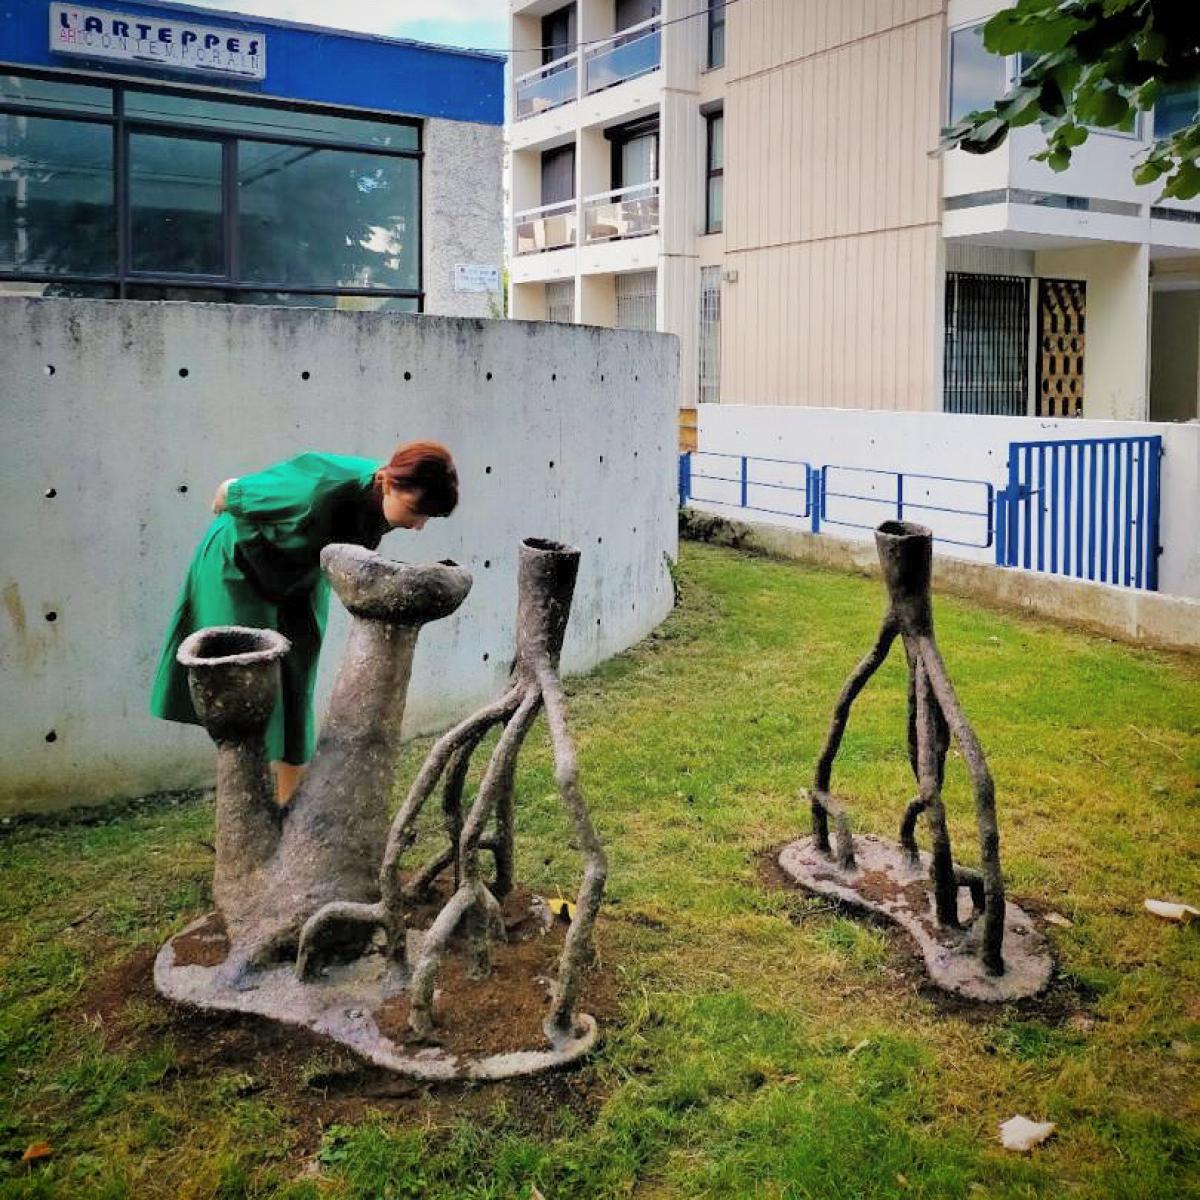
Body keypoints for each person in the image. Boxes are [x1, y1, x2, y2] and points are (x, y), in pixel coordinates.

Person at [151, 444, 458, 802]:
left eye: (428, 518)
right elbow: (227, 493)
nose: (418, 525)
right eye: (416, 511)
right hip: (239, 564)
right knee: (249, 681)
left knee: (297, 679)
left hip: (300, 574)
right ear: (388, 484)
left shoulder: (384, 497)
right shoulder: (317, 490)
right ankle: (250, 810)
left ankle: (289, 807)